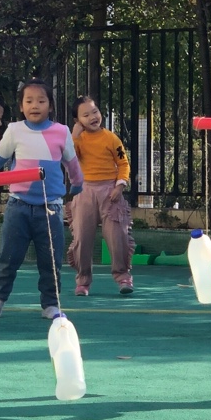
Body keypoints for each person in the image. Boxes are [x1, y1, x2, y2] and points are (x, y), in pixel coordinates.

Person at [0, 79, 84, 319]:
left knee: (50, 260)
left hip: (51, 209)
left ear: (50, 106)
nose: (35, 105)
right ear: (21, 106)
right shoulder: (14, 130)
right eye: (29, 101)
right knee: (8, 258)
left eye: (41, 101)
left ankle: (50, 304)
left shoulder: (61, 131)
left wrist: (78, 184)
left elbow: (72, 163)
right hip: (17, 206)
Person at [66, 96, 136, 297]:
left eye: (95, 112)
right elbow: (70, 159)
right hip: (84, 191)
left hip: (110, 192)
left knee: (118, 236)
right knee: (81, 238)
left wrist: (120, 185)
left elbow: (123, 163)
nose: (93, 117)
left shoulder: (111, 138)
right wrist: (74, 136)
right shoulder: (77, 140)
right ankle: (83, 281)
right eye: (86, 115)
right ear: (77, 121)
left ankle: (123, 277)